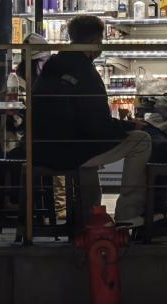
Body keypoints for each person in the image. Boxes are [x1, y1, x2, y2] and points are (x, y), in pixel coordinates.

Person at [30, 14, 152, 226]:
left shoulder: (53, 63)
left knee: (91, 155)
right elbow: (97, 124)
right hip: (70, 150)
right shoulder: (86, 71)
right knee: (141, 140)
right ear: (95, 40)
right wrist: (131, 125)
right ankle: (127, 215)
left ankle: (88, 217)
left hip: (40, 147)